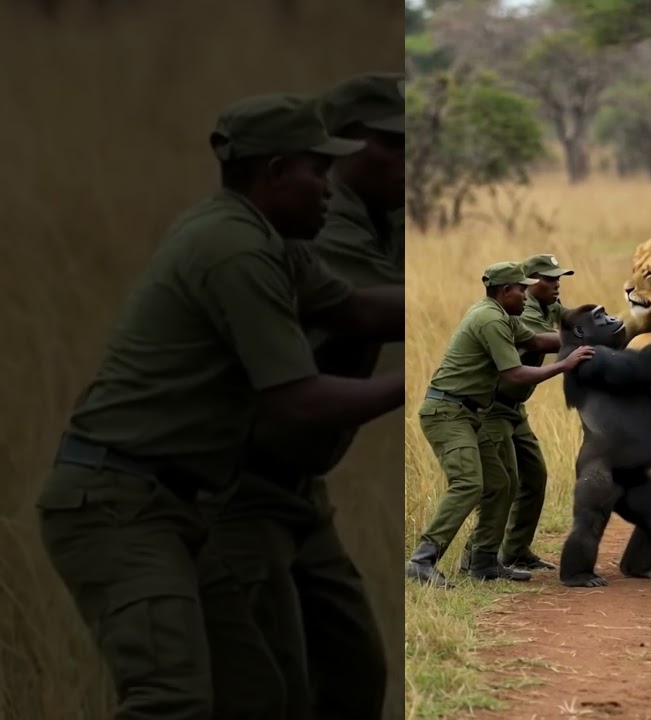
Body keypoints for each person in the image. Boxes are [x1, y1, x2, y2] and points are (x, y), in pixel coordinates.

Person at [34, 93, 405, 720]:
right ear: (277, 171)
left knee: (256, 696)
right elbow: (297, 401)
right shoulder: (235, 250)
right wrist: (420, 377)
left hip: (178, 503)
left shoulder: (267, 240)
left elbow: (355, 310)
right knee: (169, 699)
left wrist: (466, 310)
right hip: (117, 504)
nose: (327, 186)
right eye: (317, 170)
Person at [203, 73, 405, 720]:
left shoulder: (386, 215)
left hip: (298, 486)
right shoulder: (321, 226)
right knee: (266, 690)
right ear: (343, 149)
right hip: (237, 484)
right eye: (396, 145)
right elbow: (400, 309)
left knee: (353, 677)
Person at [406, 261, 594, 588]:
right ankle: (423, 559)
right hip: (447, 413)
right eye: (521, 289)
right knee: (468, 483)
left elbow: (536, 342)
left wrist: (585, 338)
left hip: (470, 413)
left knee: (503, 482)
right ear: (505, 291)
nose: (526, 293)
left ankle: (482, 562)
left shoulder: (501, 316)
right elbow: (514, 374)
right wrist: (565, 365)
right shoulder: (490, 319)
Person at [456, 253, 574, 574]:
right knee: (502, 482)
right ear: (527, 283)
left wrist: (609, 321)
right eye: (549, 279)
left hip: (514, 408)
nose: (556, 284)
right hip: (494, 407)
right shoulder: (522, 312)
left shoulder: (546, 305)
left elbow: (572, 318)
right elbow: (544, 342)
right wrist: (590, 340)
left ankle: (516, 551)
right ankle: (477, 556)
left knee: (534, 475)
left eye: (558, 278)